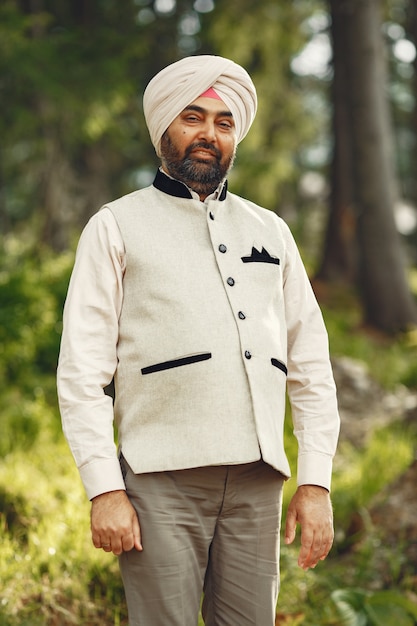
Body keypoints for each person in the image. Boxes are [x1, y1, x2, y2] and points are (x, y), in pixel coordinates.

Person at [57, 55, 340, 626]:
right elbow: (82, 374)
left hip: (259, 483)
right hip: (160, 482)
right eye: (193, 118)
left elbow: (311, 364)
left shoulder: (271, 231)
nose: (209, 134)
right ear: (164, 127)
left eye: (223, 122)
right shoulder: (115, 225)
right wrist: (104, 490)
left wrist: (315, 481)